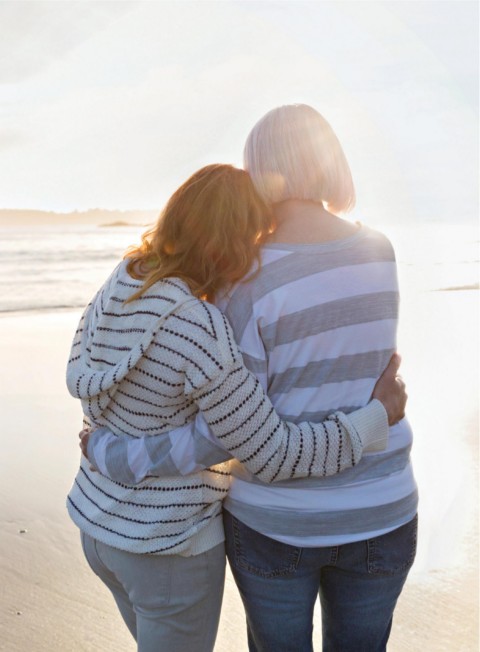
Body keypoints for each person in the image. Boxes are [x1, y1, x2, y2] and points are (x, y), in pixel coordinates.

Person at [84, 105, 418, 652]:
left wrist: (115, 451)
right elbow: (360, 373)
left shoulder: (244, 277)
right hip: (380, 504)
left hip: (277, 521)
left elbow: (231, 435)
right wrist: (378, 415)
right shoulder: (381, 250)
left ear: (260, 170)